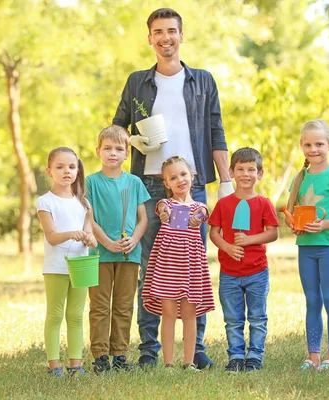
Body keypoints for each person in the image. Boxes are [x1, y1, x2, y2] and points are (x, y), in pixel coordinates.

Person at [112, 7, 234, 369]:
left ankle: (194, 350)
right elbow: (117, 129)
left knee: (194, 267)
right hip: (149, 185)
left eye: (171, 31)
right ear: (150, 38)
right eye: (158, 32)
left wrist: (225, 182)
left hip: (192, 186)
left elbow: (217, 133)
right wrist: (135, 141)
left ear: (182, 36)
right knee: (152, 266)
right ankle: (149, 350)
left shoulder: (203, 80)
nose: (165, 38)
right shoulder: (137, 81)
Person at [283, 119, 329, 373]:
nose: (313, 149)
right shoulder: (300, 176)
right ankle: (313, 357)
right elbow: (291, 211)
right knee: (312, 300)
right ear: (302, 147)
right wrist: (293, 224)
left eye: (319, 144)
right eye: (307, 144)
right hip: (305, 246)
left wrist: (325, 226)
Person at [85, 126, 150, 373]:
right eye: (108, 148)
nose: (113, 153)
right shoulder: (90, 182)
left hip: (129, 254)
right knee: (100, 305)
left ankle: (120, 355)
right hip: (100, 254)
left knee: (124, 305)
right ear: (98, 152)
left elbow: (143, 218)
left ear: (127, 154)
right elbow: (89, 219)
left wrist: (133, 239)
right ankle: (100, 356)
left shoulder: (134, 182)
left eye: (119, 149)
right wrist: (106, 242)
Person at [208, 148, 279, 373]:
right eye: (240, 169)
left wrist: (249, 240)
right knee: (233, 319)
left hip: (257, 271)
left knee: (257, 317)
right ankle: (236, 356)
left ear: (260, 174)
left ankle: (255, 356)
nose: (245, 174)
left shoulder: (264, 204)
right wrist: (227, 247)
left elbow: (273, 233)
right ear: (231, 172)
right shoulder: (224, 204)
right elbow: (214, 233)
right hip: (229, 273)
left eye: (251, 169)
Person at [141, 156, 215, 370]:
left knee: (190, 315)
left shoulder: (199, 207)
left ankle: (189, 362)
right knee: (169, 314)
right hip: (168, 268)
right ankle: (169, 363)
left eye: (183, 174)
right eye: (173, 178)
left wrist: (197, 219)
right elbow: (162, 209)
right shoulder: (166, 205)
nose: (180, 180)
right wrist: (165, 214)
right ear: (166, 184)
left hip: (191, 268)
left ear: (191, 176)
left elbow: (203, 213)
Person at [35, 147, 97, 378]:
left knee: (76, 314)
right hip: (56, 267)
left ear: (78, 169)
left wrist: (90, 238)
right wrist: (72, 233)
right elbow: (51, 236)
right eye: (60, 167)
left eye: (71, 167)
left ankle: (76, 364)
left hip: (80, 267)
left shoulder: (84, 204)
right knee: (55, 314)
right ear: (49, 171)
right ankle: (54, 366)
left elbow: (89, 234)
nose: (66, 171)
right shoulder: (45, 202)